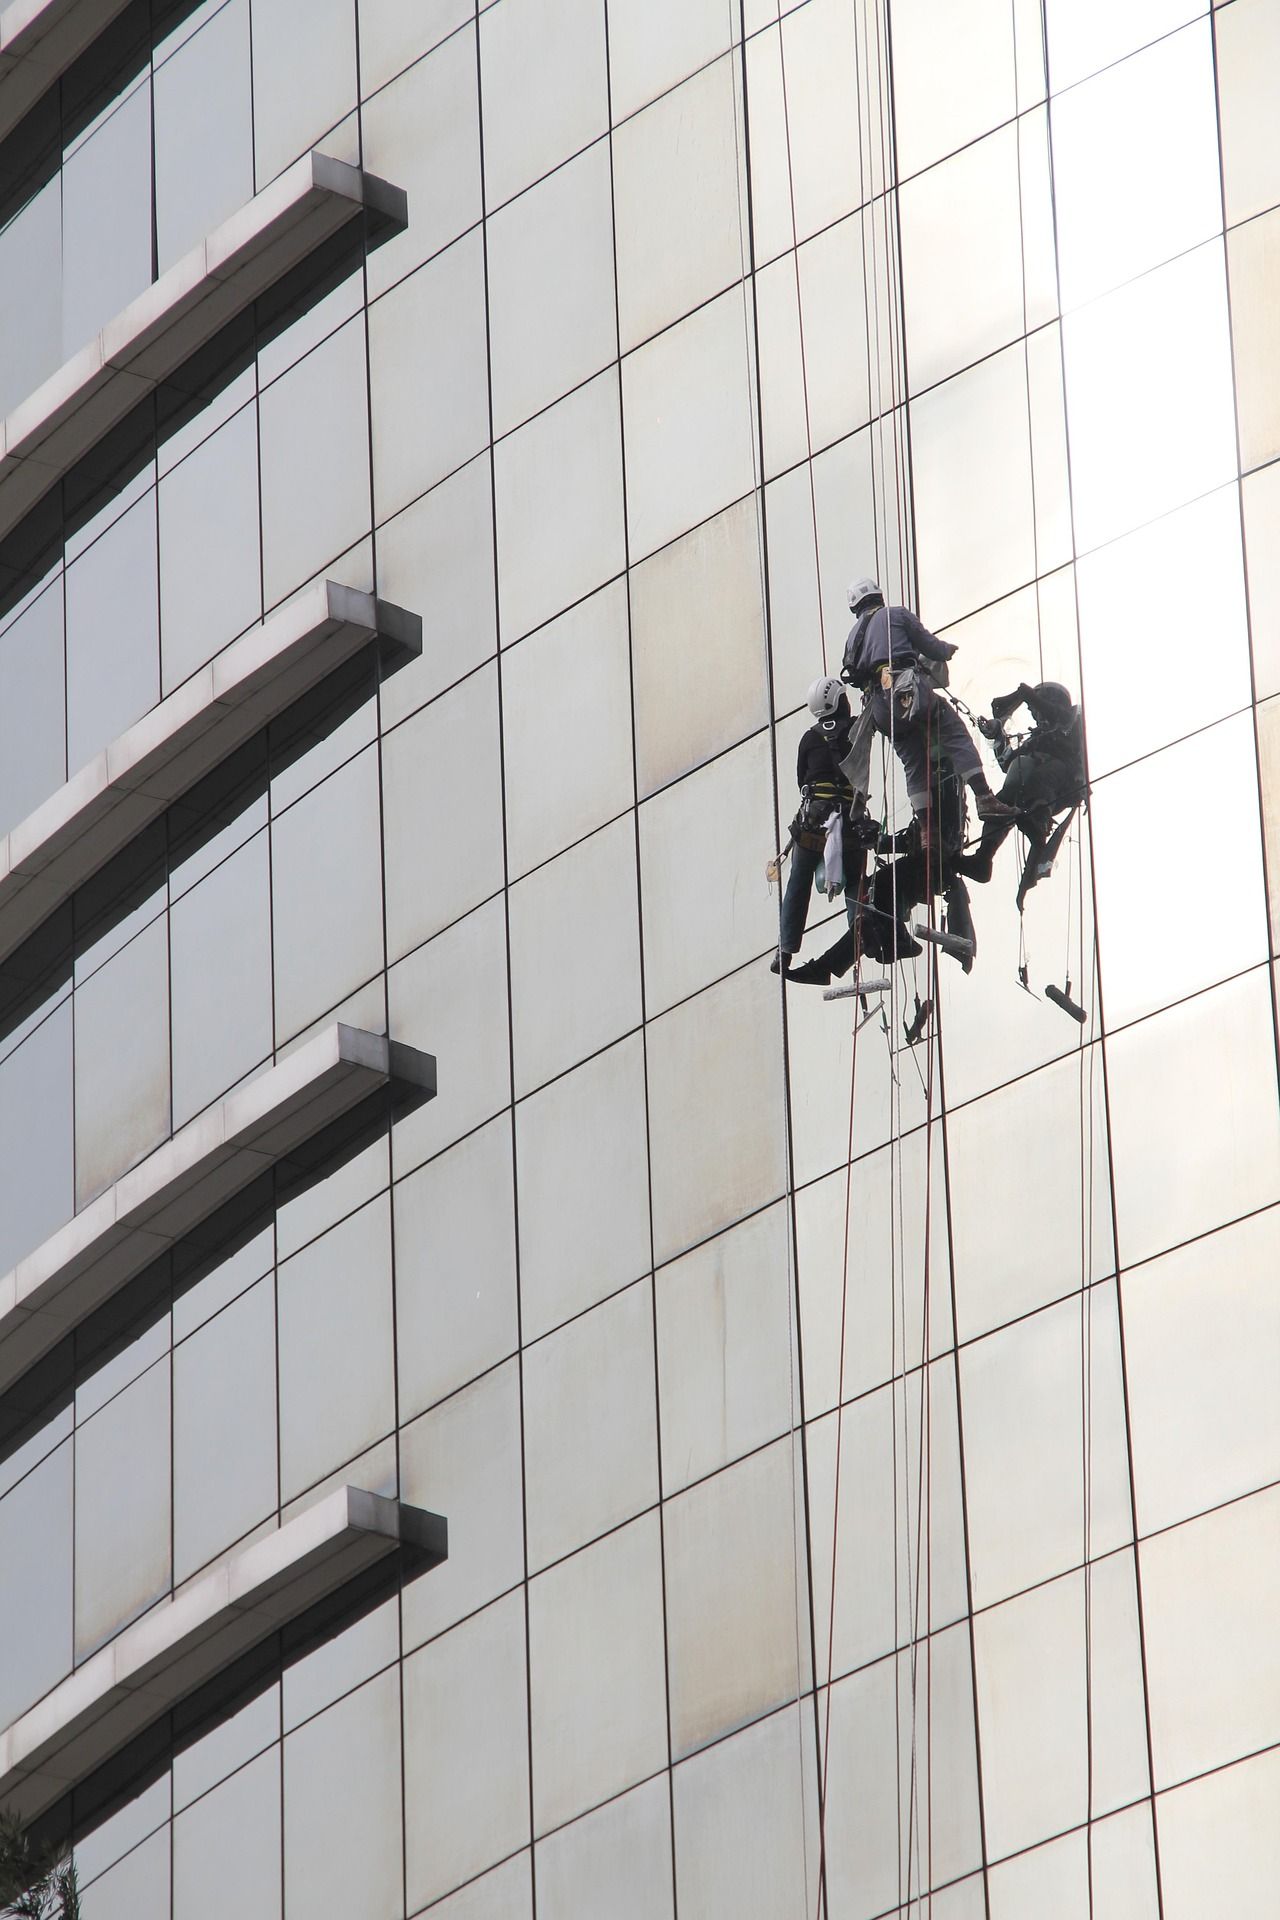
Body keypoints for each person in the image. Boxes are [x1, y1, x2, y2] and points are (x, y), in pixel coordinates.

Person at [839, 577, 1015, 830]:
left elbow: (853, 674)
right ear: (879, 597)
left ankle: (926, 831)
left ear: (854, 607)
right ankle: (984, 798)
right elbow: (931, 647)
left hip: (879, 707)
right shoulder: (896, 614)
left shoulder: (852, 637)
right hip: (908, 691)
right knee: (953, 732)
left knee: (913, 762)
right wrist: (946, 650)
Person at [771, 675, 877, 974]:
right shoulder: (857, 728)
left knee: (799, 882)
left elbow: (802, 779)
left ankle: (786, 950)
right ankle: (860, 934)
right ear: (839, 702)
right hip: (850, 824)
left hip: (813, 825)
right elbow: (875, 716)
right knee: (856, 881)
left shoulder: (809, 738)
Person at [957, 680, 1086, 896]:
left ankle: (1039, 822)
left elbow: (1063, 719)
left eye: (1035, 709)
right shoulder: (1036, 738)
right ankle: (984, 858)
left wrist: (1030, 697)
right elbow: (1008, 763)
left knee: (1045, 774)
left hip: (1061, 784)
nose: (1034, 715)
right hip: (1030, 788)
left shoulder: (1074, 716)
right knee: (1004, 797)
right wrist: (997, 736)